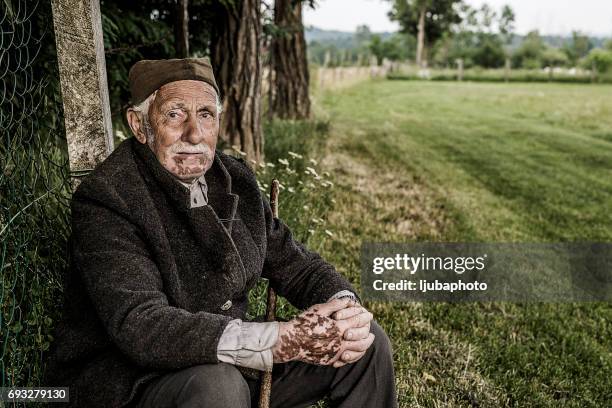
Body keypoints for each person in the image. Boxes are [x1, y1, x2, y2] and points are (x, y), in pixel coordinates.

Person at [45, 58, 396, 407]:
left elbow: (297, 265)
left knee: (366, 343)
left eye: (205, 115)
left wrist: (344, 309)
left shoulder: (234, 178)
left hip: (231, 366)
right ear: (139, 125)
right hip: (135, 381)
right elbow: (140, 324)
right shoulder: (109, 197)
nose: (194, 134)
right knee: (218, 386)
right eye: (174, 114)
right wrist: (277, 340)